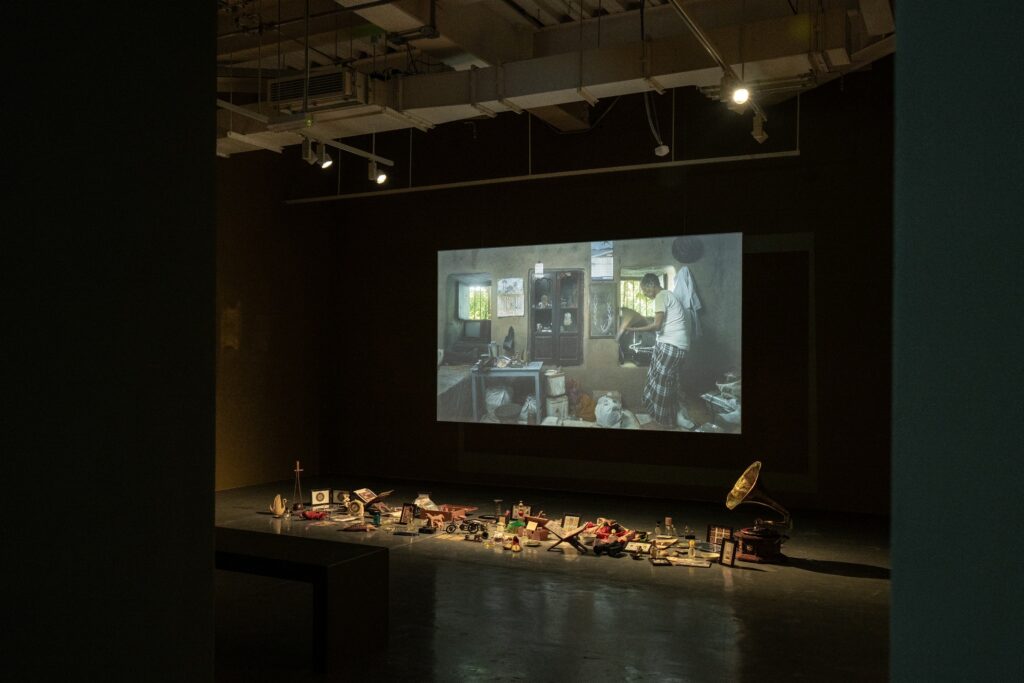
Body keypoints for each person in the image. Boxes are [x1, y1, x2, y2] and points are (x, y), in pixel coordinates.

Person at [626, 273, 690, 428]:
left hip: (672, 346)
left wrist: (633, 329)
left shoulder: (661, 296)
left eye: (645, 291)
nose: (645, 295)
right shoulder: (668, 295)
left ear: (652, 285)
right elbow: (662, 325)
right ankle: (676, 415)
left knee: (662, 385)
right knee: (667, 381)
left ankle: (664, 422)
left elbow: (657, 326)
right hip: (678, 346)